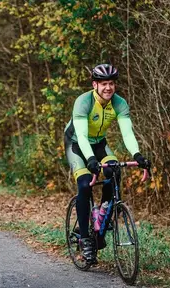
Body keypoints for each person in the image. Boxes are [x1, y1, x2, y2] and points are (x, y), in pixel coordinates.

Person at [63, 64, 151, 264]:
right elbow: (83, 137)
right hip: (76, 144)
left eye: (111, 83)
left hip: (100, 144)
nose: (108, 88)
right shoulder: (83, 102)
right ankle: (85, 238)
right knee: (85, 184)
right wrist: (91, 160)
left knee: (114, 172)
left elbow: (127, 133)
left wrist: (137, 155)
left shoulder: (119, 104)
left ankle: (101, 218)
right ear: (95, 85)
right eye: (103, 84)